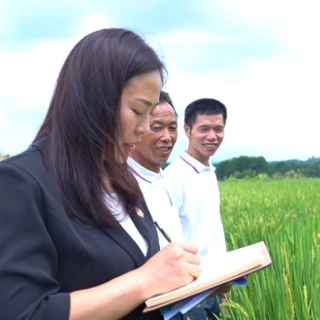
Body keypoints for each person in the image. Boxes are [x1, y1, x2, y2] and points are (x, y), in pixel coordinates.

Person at [0, 28, 203, 320]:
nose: (145, 128)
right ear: (95, 101)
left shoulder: (121, 179)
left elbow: (139, 279)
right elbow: (25, 312)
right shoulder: (19, 183)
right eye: (138, 110)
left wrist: (186, 284)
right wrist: (145, 280)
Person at [163, 98, 228, 319]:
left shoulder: (209, 171)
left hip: (216, 285)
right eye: (204, 129)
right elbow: (170, 244)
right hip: (192, 294)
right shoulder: (174, 177)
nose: (212, 136)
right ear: (187, 130)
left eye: (218, 129)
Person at [127, 90, 184, 249]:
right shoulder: (124, 187)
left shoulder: (166, 179)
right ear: (138, 129)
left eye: (172, 128)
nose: (167, 137)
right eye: (157, 128)